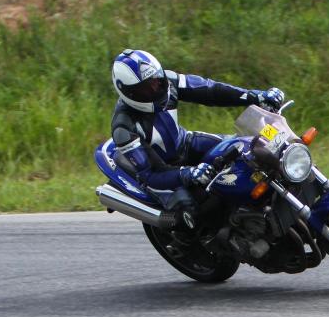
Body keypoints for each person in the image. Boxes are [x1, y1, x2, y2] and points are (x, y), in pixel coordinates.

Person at [110, 49, 284, 229]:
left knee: (247, 147)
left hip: (186, 143)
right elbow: (150, 175)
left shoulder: (171, 82)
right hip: (164, 169)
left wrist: (255, 96)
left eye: (157, 82)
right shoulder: (124, 128)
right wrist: (187, 174)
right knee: (192, 216)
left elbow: (211, 90)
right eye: (146, 89)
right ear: (128, 93)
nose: (155, 89)